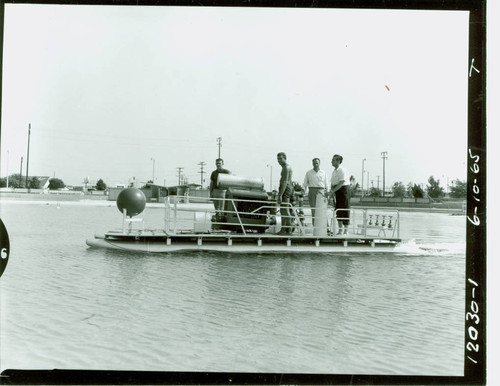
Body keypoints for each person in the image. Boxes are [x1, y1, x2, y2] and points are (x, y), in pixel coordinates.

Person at [303, 158, 329, 225]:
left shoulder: (323, 172)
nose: (315, 164)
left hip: (321, 191)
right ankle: (315, 226)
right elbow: (305, 183)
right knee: (314, 210)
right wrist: (303, 191)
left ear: (319, 163)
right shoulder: (308, 173)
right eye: (314, 163)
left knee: (322, 210)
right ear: (312, 163)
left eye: (317, 163)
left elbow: (327, 183)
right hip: (312, 191)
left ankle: (326, 227)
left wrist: (328, 192)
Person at [330, 154, 351, 235]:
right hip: (337, 190)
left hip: (344, 190)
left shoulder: (342, 170)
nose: (331, 161)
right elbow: (332, 183)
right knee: (338, 209)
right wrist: (332, 192)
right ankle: (340, 230)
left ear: (338, 161)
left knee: (345, 208)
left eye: (333, 160)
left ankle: (346, 230)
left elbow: (341, 182)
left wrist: (333, 191)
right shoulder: (334, 171)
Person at [276, 152, 293, 235]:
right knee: (282, 210)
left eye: (280, 159)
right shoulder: (284, 167)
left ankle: (288, 229)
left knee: (285, 209)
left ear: (285, 158)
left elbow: (285, 182)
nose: (279, 161)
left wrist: (280, 195)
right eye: (278, 159)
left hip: (286, 189)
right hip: (285, 188)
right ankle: (283, 229)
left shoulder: (286, 167)